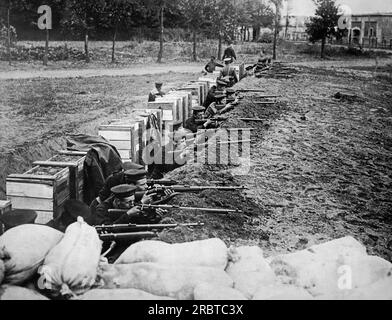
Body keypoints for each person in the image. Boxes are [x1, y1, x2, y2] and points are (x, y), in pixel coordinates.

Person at [94, 185, 164, 226]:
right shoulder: (101, 210)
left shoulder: (128, 205)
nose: (132, 204)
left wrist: (153, 216)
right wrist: (128, 215)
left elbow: (140, 222)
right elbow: (108, 229)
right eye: (129, 202)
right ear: (118, 202)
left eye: (133, 201)